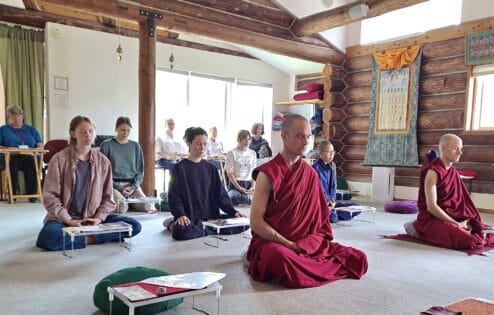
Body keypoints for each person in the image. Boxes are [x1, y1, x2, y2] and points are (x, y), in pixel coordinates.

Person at [246, 114, 368, 288]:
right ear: (284, 136)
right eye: (300, 136)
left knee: (359, 258)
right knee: (280, 258)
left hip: (304, 242)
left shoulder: (310, 173)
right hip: (274, 243)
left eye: (308, 136)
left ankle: (306, 263)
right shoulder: (267, 173)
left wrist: (304, 244)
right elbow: (256, 222)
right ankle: (303, 264)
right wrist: (289, 245)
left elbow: (320, 221)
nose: (306, 142)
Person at [36, 116, 141, 251]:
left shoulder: (103, 162)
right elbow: (50, 197)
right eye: (83, 131)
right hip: (64, 220)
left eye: (91, 131)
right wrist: (69, 220)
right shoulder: (59, 160)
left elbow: (108, 199)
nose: (88, 135)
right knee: (47, 238)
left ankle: (82, 238)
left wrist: (98, 219)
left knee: (134, 225)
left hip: (92, 219)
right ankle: (96, 237)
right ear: (73, 133)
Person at [404, 134, 494, 250]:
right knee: (470, 241)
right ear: (443, 148)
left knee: (477, 226)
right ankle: (415, 228)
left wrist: (463, 220)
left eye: (461, 149)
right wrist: (457, 224)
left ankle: (469, 230)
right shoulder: (433, 173)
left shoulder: (453, 172)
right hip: (431, 220)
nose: (460, 152)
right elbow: (431, 207)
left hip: (450, 216)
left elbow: (460, 203)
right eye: (455, 148)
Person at [163, 127, 247, 241]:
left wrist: (234, 212)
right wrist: (180, 215)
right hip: (190, 218)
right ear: (189, 143)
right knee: (180, 231)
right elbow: (174, 196)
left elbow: (221, 195)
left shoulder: (211, 168)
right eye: (198, 144)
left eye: (205, 144)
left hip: (211, 218)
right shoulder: (179, 168)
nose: (202, 148)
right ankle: (180, 224)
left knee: (243, 223)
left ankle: (204, 229)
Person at [100, 117, 151, 213]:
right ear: (116, 129)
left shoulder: (136, 146)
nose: (125, 133)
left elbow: (140, 171)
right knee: (121, 208)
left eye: (128, 130)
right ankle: (124, 202)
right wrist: (119, 188)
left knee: (147, 206)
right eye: (123, 130)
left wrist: (134, 186)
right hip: (113, 185)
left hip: (131, 185)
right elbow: (102, 171)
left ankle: (128, 201)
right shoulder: (106, 145)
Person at [0, 105, 43, 203]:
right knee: (12, 161)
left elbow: (40, 145)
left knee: (33, 161)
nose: (16, 118)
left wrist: (34, 150)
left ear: (22, 117)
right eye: (13, 116)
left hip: (28, 156)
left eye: (18, 116)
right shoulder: (3, 129)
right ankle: (13, 194)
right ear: (8, 118)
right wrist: (8, 149)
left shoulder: (31, 130)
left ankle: (33, 196)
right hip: (10, 157)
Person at [312, 140, 360, 224]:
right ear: (321, 153)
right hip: (320, 204)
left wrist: (333, 199)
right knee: (326, 213)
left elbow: (333, 185)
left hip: (331, 203)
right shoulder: (314, 169)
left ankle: (333, 213)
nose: (331, 155)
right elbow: (318, 190)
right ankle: (332, 214)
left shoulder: (332, 166)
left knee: (357, 207)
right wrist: (328, 202)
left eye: (333, 152)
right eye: (329, 152)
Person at [225, 130, 257, 205]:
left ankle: (249, 199)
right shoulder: (231, 153)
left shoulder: (252, 153)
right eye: (245, 139)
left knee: (266, 194)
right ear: (239, 140)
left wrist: (252, 187)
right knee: (233, 197)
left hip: (249, 184)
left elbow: (253, 172)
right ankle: (251, 201)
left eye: (249, 139)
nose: (248, 141)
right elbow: (230, 173)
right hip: (235, 185)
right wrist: (239, 187)